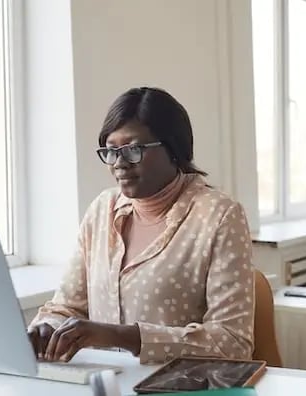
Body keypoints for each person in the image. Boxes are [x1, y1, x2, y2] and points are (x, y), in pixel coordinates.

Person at [27, 87, 255, 364]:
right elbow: (67, 306)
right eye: (111, 151)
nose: (119, 164)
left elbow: (233, 341)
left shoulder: (219, 215)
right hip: (104, 383)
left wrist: (122, 336)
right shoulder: (102, 209)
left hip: (177, 386)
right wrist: (47, 327)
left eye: (133, 149)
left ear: (174, 149)